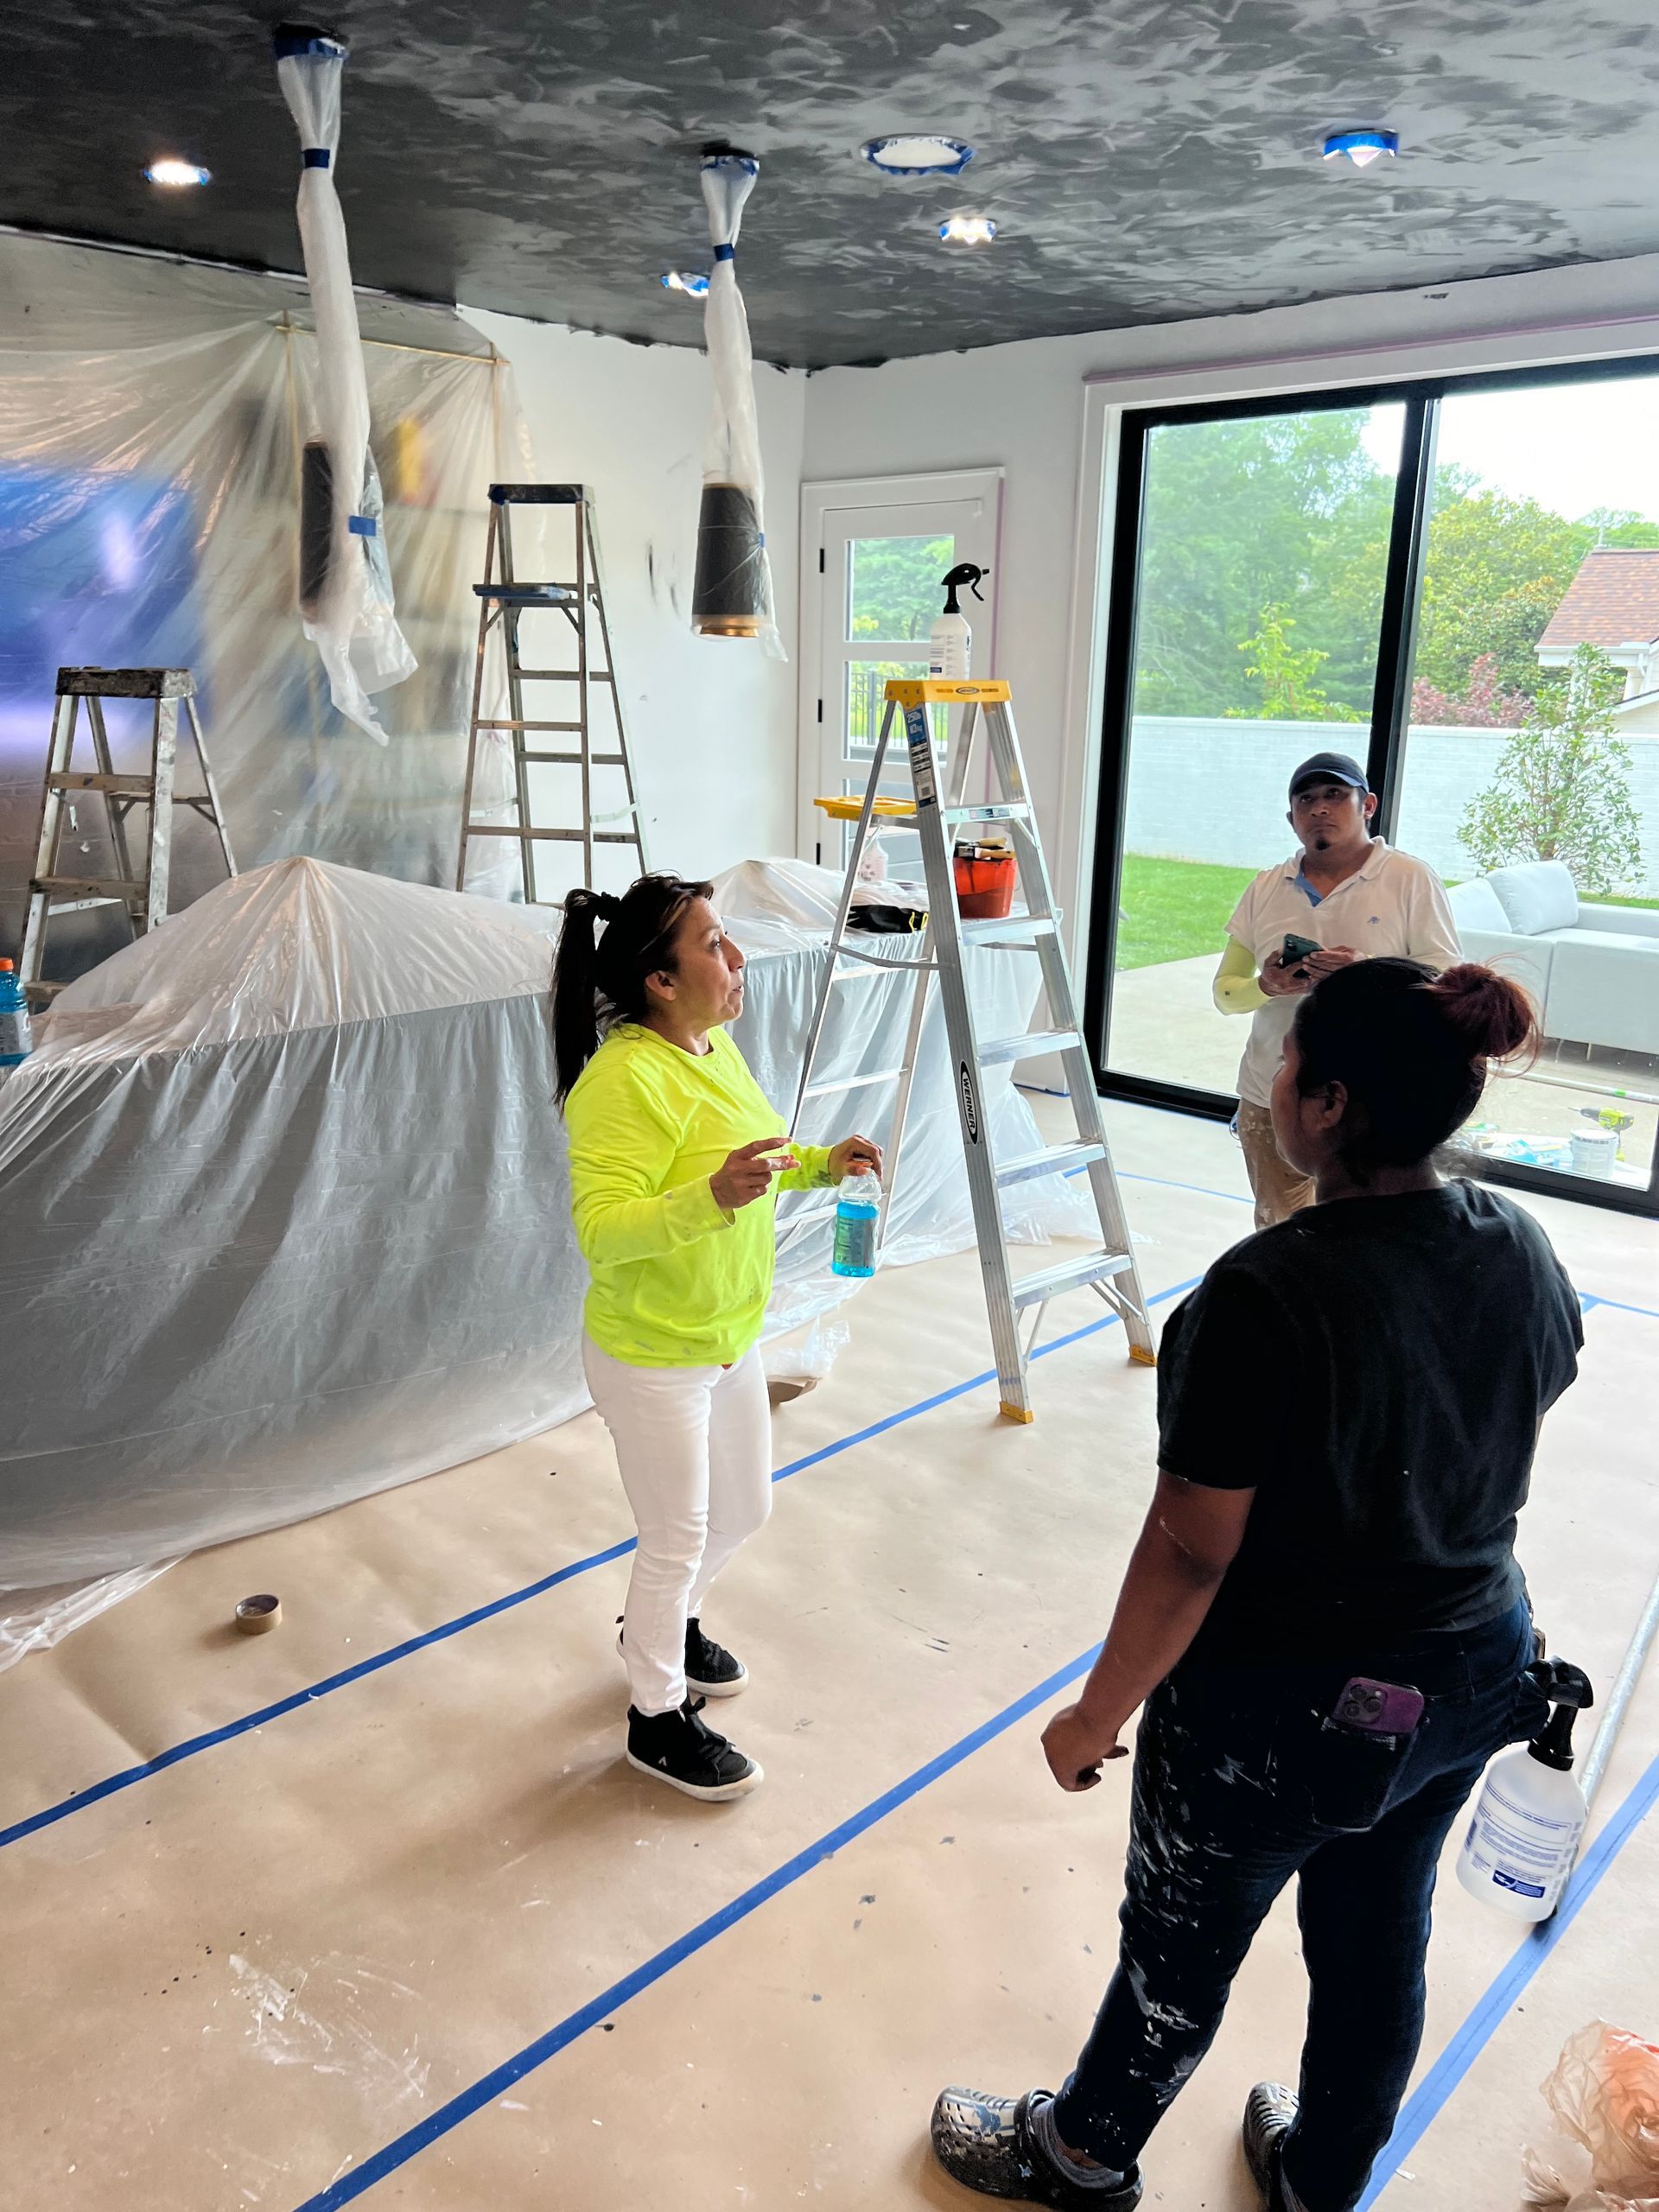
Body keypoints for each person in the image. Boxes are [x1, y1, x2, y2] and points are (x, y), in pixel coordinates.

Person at [931, 957, 1583, 2212]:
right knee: (1379, 1936)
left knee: (1181, 1949)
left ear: (1328, 1104)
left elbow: (1190, 1549)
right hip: (1468, 1672)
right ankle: (1322, 2176)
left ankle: (1081, 2155)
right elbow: (1531, 1388)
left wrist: (1093, 1717)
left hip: (1281, 1710)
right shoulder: (1518, 1245)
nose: (1276, 1078)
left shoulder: (1265, 1293)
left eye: (1289, 1060)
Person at [554, 874, 881, 1803]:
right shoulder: (622, 1081)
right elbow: (603, 1231)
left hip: (727, 1336)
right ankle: (654, 1716)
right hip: (652, 1351)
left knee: (745, 1511)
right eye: (714, 944)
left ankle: (668, 1621)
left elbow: (754, 1159)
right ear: (660, 979)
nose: (735, 959)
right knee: (675, 1535)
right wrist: (710, 1199)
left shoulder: (708, 1046)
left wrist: (824, 1163)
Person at [1216, 752, 1460, 1230]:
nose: (1319, 809)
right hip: (1273, 1095)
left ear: (1367, 805)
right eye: (1306, 799)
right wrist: (1267, 986)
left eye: (1335, 795)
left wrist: (1368, 971)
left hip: (1373, 1098)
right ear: (1292, 819)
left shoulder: (1408, 879)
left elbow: (1444, 979)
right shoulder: (1267, 887)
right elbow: (1226, 994)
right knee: (1280, 1229)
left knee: (1367, 1232)